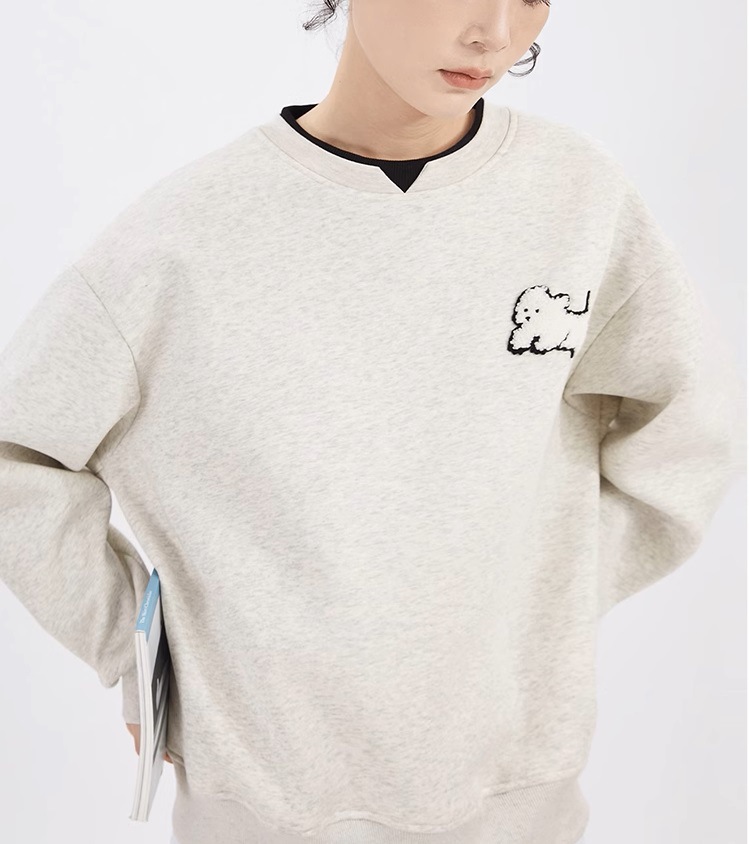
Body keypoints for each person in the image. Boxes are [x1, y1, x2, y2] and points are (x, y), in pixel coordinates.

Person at [0, 2, 743, 844]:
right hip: (264, 803)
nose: (496, 32)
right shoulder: (181, 237)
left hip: (519, 798)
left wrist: (545, 592)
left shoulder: (576, 197)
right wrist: (135, 652)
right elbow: (19, 455)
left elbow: (689, 427)